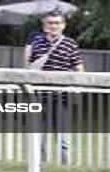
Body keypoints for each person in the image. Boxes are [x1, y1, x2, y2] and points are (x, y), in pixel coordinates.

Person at [27, 10, 84, 163]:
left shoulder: (70, 44)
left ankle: (63, 165)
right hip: (39, 96)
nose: (53, 26)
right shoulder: (37, 43)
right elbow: (31, 68)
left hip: (62, 96)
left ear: (63, 26)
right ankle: (41, 164)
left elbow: (78, 67)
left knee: (63, 135)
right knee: (40, 136)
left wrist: (78, 90)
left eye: (57, 23)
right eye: (50, 23)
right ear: (44, 24)